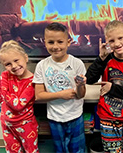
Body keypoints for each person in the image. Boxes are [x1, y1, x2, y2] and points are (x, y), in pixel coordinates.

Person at [85, 20, 123, 153]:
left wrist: (112, 88)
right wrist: (100, 58)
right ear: (107, 42)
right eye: (111, 41)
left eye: (120, 38)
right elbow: (89, 79)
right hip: (107, 117)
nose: (117, 44)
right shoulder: (106, 60)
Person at [32, 22, 87, 153]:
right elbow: (39, 96)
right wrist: (61, 94)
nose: (56, 47)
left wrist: (80, 86)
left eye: (60, 42)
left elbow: (81, 95)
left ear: (68, 42)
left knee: (77, 149)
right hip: (55, 118)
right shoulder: (41, 66)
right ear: (44, 42)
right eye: (51, 42)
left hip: (75, 115)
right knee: (59, 149)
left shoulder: (77, 63)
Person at [0, 40, 39, 153]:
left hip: (26, 125)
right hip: (7, 124)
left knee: (31, 151)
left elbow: (18, 105)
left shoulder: (33, 81)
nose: (14, 66)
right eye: (8, 64)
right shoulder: (5, 75)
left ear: (25, 58)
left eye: (16, 60)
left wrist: (2, 87)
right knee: (12, 151)